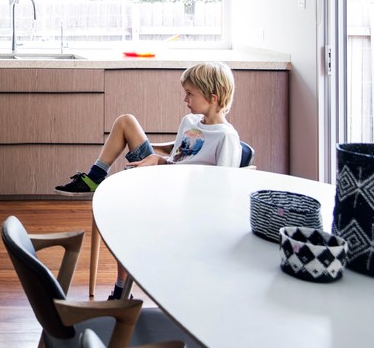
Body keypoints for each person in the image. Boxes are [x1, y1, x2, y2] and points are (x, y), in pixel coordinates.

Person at [54, 61, 241, 299]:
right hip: (162, 177)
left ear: (213, 98)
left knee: (122, 216)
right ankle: (93, 179)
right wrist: (151, 151)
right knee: (126, 122)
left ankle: (121, 290)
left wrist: (161, 163)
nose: (185, 100)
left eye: (190, 94)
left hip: (178, 196)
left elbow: (221, 189)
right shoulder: (191, 121)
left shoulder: (226, 138)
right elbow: (180, 151)